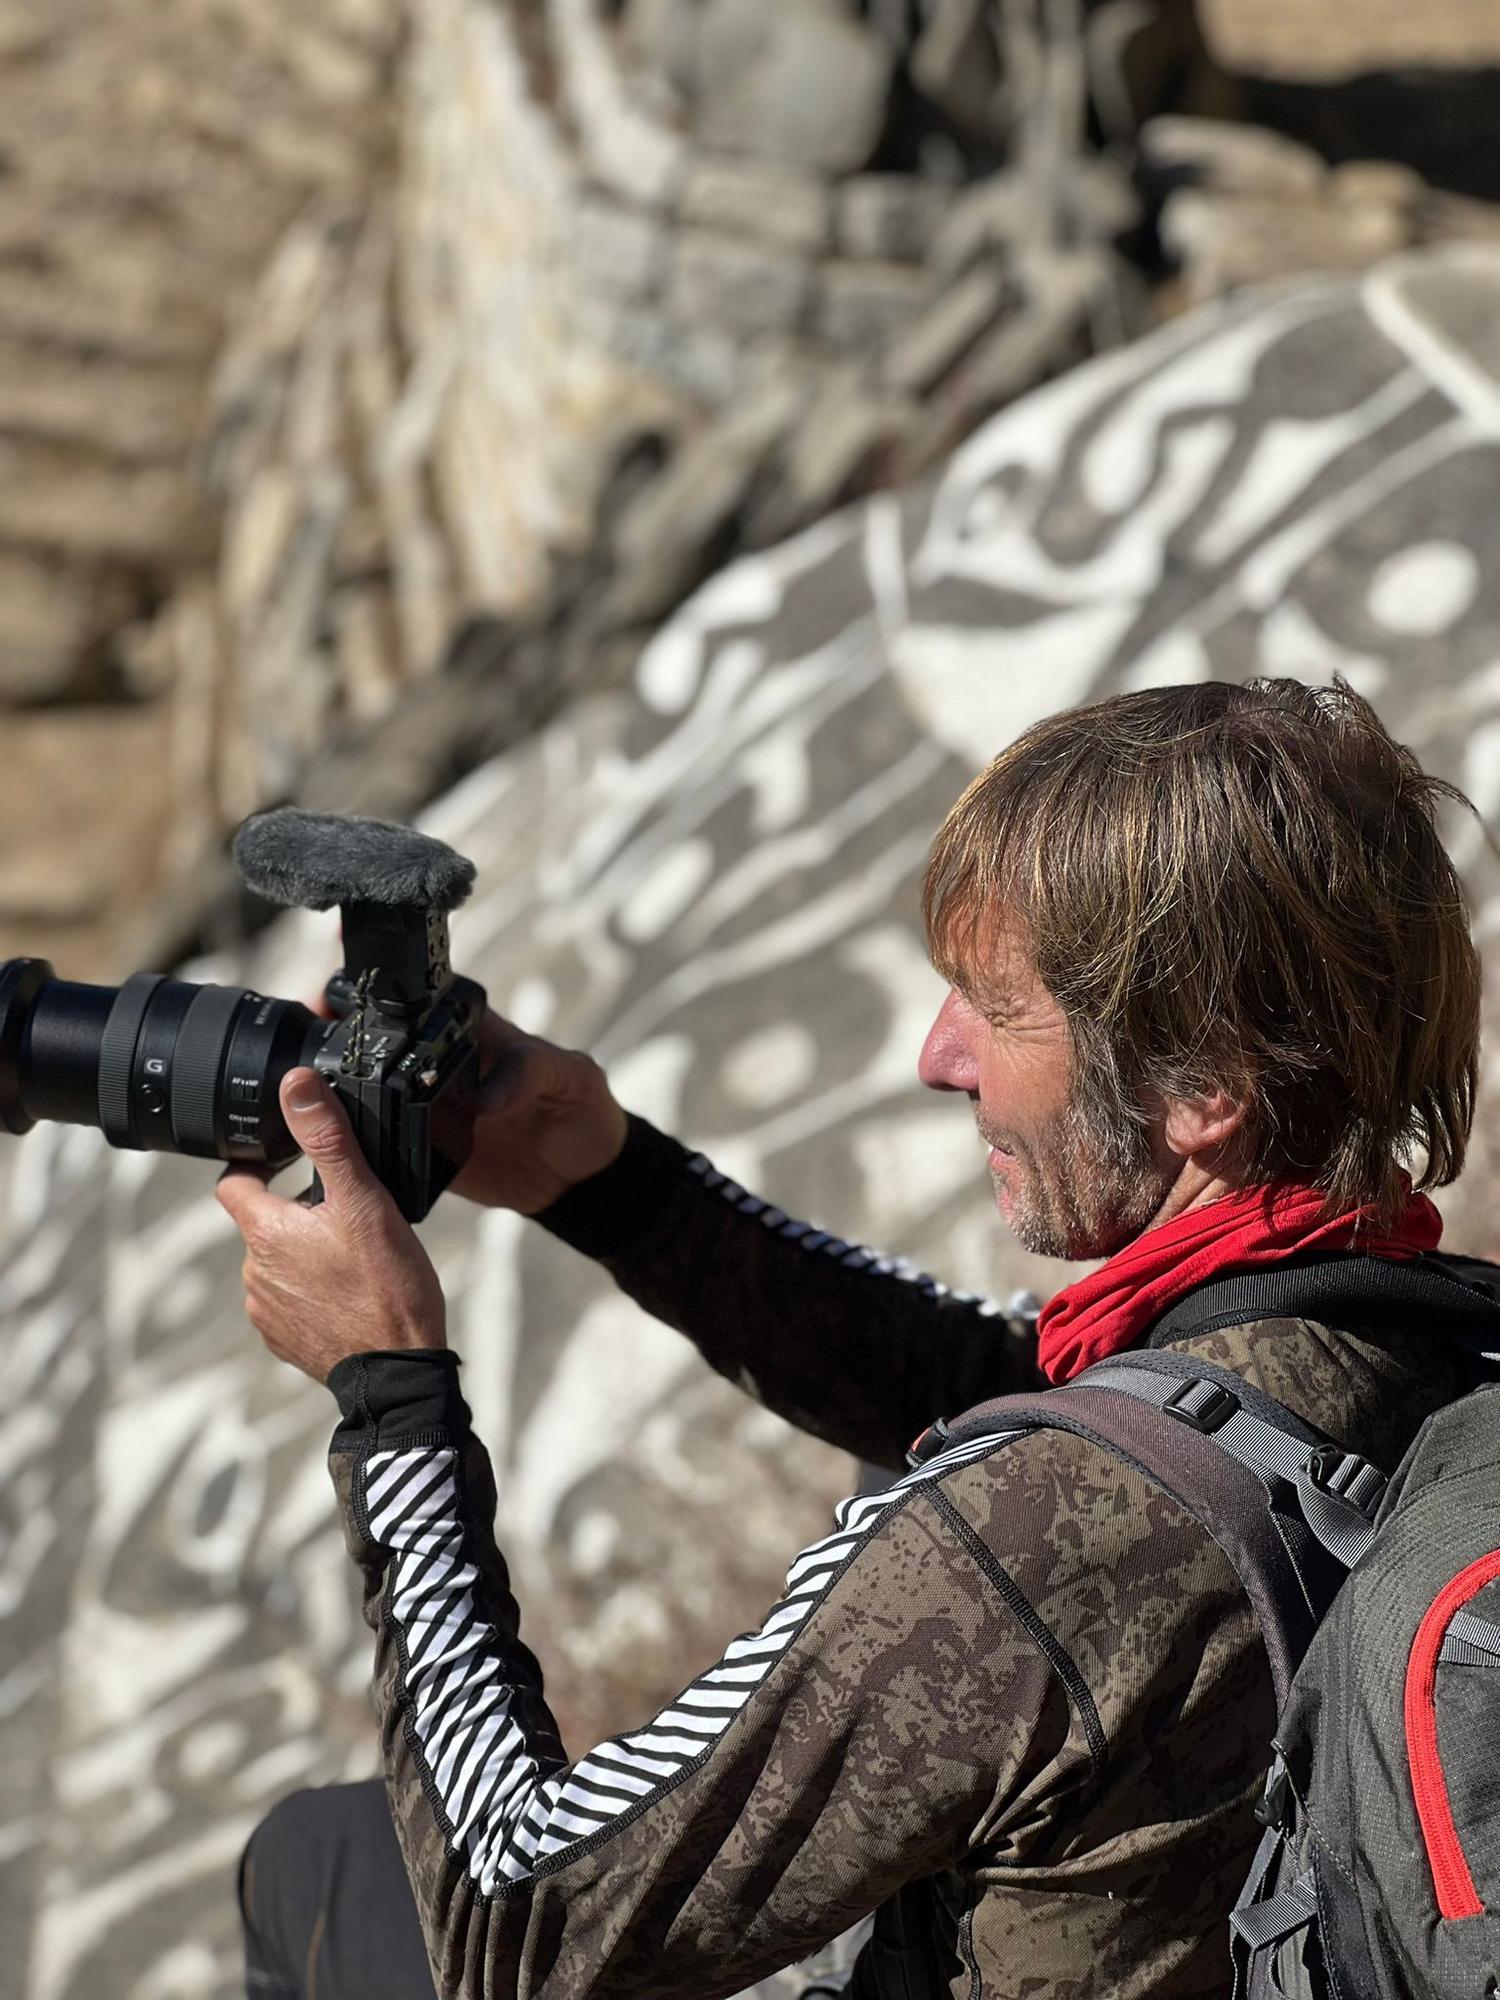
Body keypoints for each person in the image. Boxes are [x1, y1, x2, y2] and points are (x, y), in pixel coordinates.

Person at [221, 675, 1489, 2000]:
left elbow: (517, 1923)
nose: (941, 1059)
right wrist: (596, 1176)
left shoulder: (1030, 1544)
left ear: (1207, 1087)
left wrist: (391, 1396)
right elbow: (1014, 1385)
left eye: (995, 1010)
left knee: (317, 1869)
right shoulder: (1410, 1347)